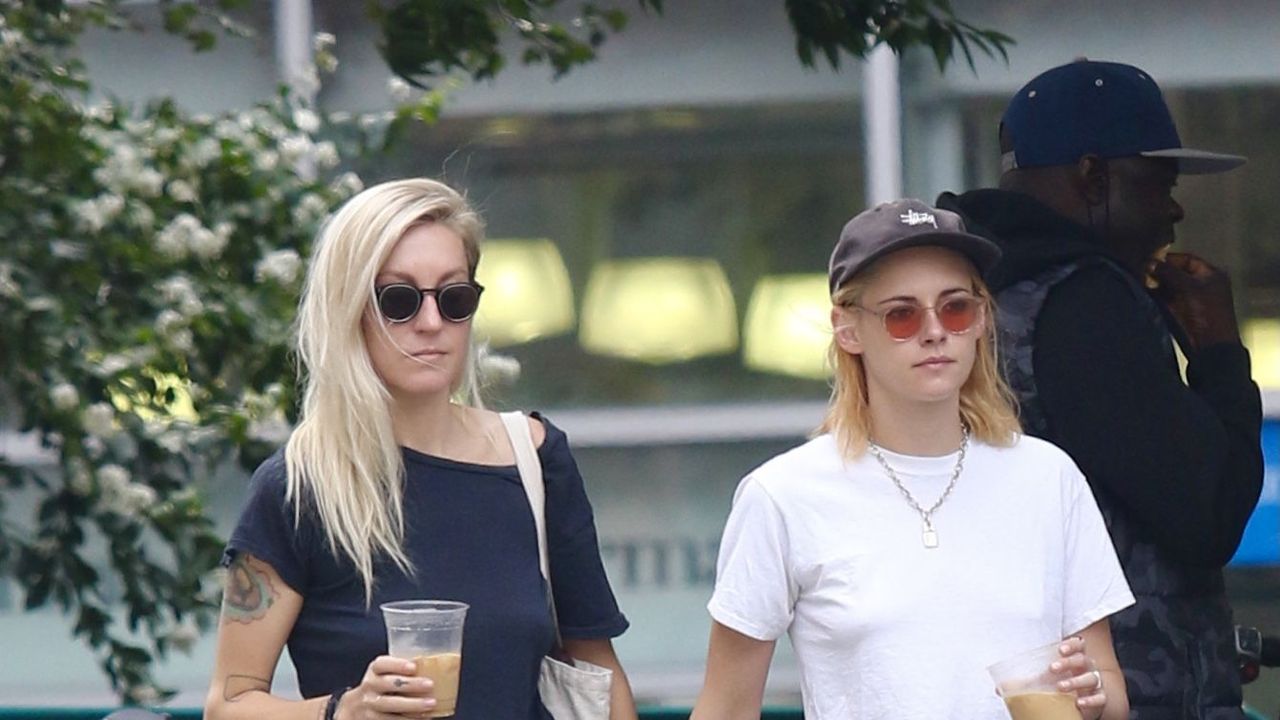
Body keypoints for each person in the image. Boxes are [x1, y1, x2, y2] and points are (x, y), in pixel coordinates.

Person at [204, 178, 637, 720]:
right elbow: (228, 705)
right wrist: (346, 711)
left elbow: (597, 667)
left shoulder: (533, 458)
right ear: (349, 309)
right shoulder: (298, 486)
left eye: (454, 298)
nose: (431, 323)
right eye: (399, 300)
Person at [691, 198, 1135, 720]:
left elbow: (1109, 687)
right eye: (901, 315)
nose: (934, 331)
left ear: (981, 319)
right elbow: (725, 707)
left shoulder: (1049, 477)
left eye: (955, 307)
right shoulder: (784, 495)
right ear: (847, 329)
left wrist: (1092, 696)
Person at [937, 59, 1265, 720]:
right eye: (1159, 183)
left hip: (1020, 687)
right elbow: (1207, 514)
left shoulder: (965, 292)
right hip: (1136, 696)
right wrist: (1219, 351)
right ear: (1093, 176)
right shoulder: (1088, 300)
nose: (1174, 208)